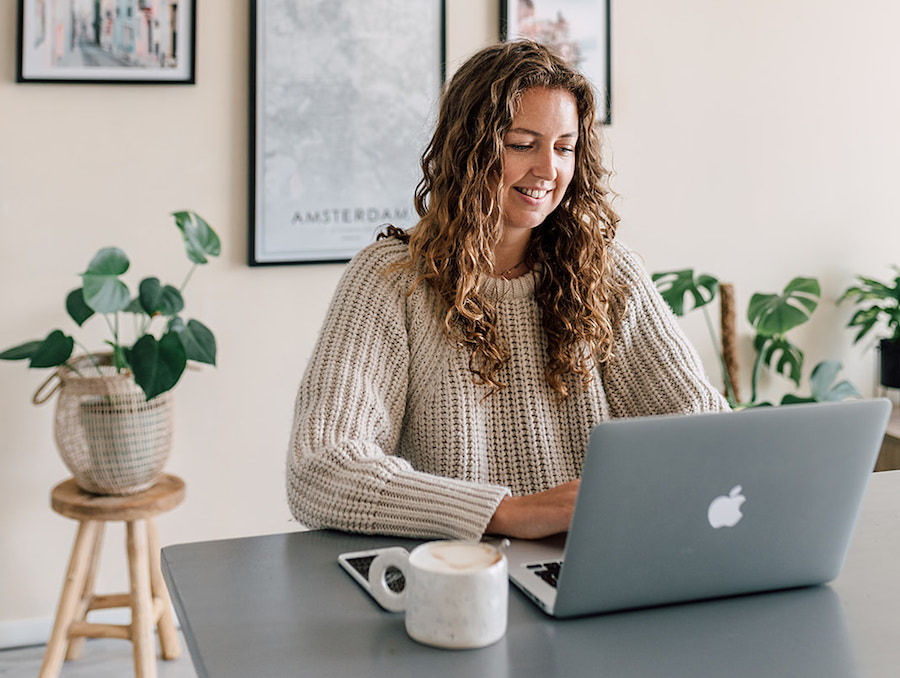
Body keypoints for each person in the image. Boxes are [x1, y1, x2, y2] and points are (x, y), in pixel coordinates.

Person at [286, 40, 728, 542]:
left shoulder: (607, 271)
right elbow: (320, 471)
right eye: (522, 144)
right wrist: (507, 513)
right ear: (469, 147)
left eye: (564, 147)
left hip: (603, 564)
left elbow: (706, 432)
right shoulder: (392, 281)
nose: (548, 169)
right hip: (466, 582)